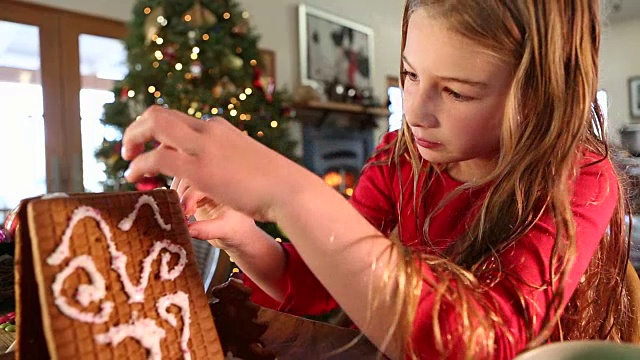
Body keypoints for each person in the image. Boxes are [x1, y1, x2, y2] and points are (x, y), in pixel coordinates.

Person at [121, 0, 635, 358]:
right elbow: (323, 281)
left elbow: (483, 342)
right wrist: (243, 234)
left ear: (542, 93)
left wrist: (291, 192)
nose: (415, 112)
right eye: (410, 76)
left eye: (456, 92)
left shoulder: (579, 181)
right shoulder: (402, 157)